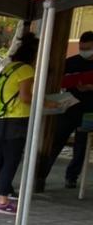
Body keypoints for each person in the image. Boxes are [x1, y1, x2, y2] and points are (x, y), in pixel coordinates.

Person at [0, 33, 49, 214]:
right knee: (11, 159)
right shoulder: (26, 70)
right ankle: (3, 199)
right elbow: (25, 96)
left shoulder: (9, 67)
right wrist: (47, 102)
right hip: (17, 120)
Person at [39, 30, 93, 190]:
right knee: (55, 141)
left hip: (89, 111)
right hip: (69, 108)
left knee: (81, 146)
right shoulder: (70, 62)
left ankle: (72, 177)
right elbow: (58, 80)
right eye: (82, 48)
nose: (84, 51)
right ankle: (41, 176)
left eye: (88, 48)